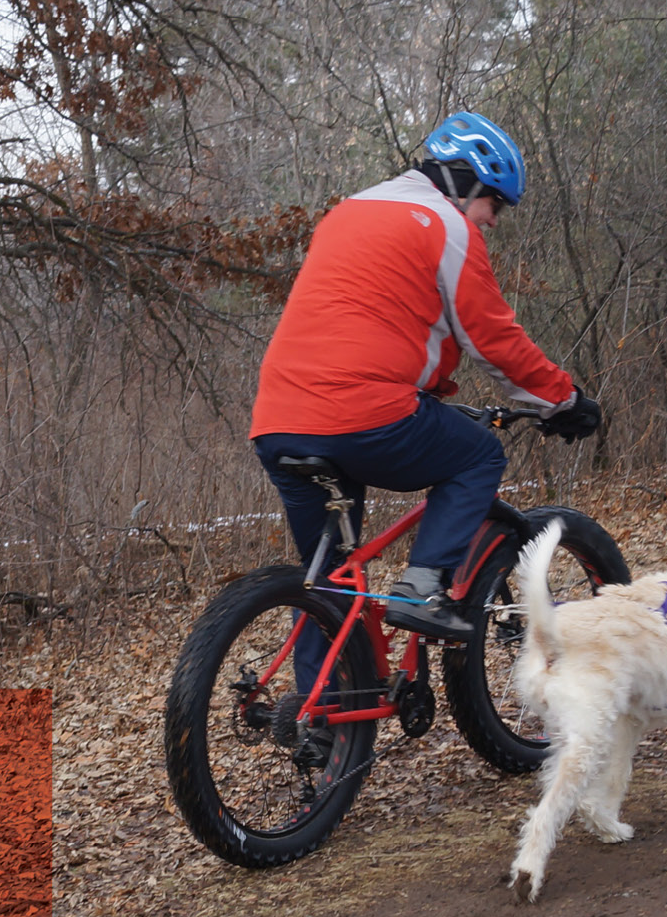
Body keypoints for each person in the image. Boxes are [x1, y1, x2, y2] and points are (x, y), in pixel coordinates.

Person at [248, 113, 601, 730]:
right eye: (494, 202)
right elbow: (492, 337)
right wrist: (562, 399)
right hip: (364, 413)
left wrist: (431, 389)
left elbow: (371, 322)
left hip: (279, 418)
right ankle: (424, 588)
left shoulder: (349, 211)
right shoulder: (444, 224)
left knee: (330, 580)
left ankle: (328, 726)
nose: (494, 218)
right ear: (463, 182)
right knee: (478, 457)